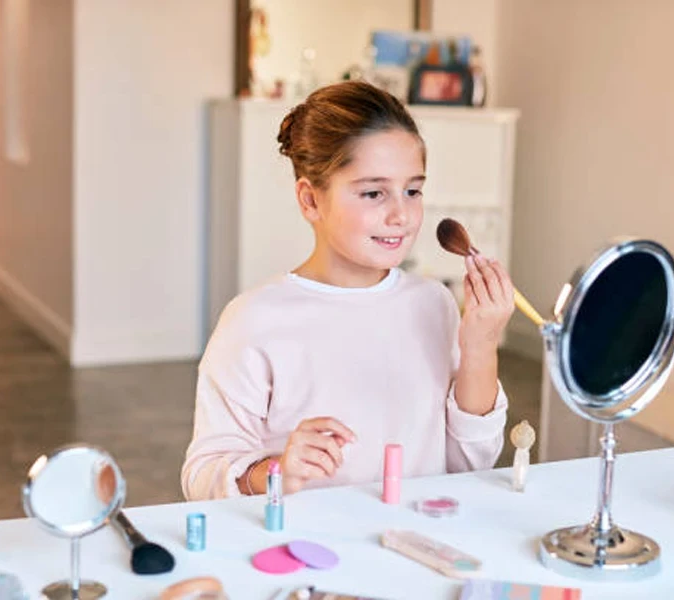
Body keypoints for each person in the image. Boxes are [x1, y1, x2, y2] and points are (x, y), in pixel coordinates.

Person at [182, 81, 514, 500]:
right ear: (310, 200)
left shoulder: (434, 304)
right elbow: (201, 477)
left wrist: (481, 345)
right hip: (306, 553)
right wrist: (276, 470)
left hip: (415, 546)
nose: (401, 215)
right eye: (374, 192)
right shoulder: (253, 320)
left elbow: (471, 463)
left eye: (412, 190)